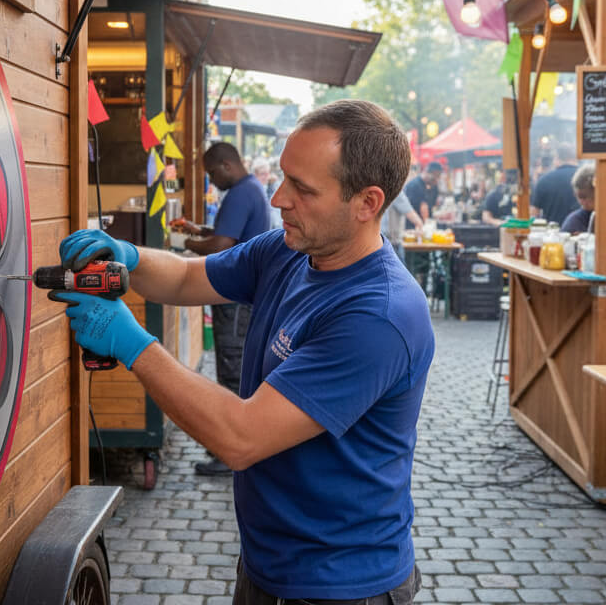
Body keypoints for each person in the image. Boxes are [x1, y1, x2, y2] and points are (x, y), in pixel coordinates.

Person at [55, 100, 432, 603]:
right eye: (283, 178)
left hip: (343, 584)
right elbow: (190, 276)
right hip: (266, 565)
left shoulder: (379, 315)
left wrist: (128, 341)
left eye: (303, 188)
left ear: (367, 202)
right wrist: (125, 255)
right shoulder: (288, 250)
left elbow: (240, 437)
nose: (278, 198)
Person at [171, 142, 269, 476]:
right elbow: (226, 233)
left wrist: (184, 244)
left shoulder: (242, 192)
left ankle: (230, 452)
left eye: (213, 173)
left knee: (232, 368)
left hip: (237, 298)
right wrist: (199, 231)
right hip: (241, 294)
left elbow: (223, 244)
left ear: (227, 165)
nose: (212, 181)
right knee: (235, 366)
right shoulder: (251, 188)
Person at [529, 145, 579, 224]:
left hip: (552, 233)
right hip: (581, 232)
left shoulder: (544, 180)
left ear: (556, 159)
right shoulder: (586, 177)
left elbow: (534, 213)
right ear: (575, 158)